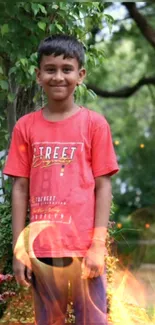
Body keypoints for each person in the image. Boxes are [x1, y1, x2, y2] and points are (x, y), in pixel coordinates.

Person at [3, 34, 119, 325]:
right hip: (43, 251)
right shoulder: (25, 127)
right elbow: (19, 188)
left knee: (92, 321)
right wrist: (20, 251)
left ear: (80, 75)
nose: (58, 76)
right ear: (38, 74)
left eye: (66, 69)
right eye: (50, 69)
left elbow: (104, 186)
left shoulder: (94, 125)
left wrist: (97, 245)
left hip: (83, 249)